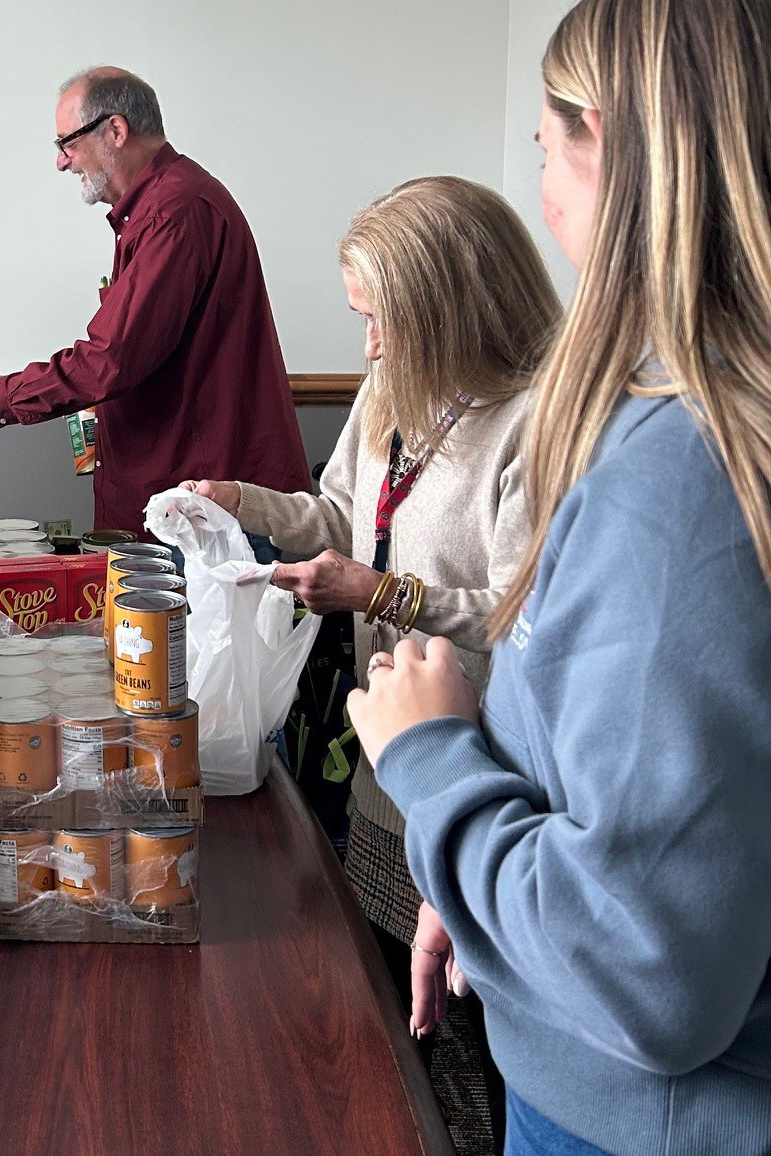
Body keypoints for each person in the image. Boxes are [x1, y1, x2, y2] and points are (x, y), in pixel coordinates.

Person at [350, 1, 771, 1153]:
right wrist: (481, 887)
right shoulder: (662, 428)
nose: (542, 185)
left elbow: (652, 972)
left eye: (544, 148)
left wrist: (433, 763)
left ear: (608, 147)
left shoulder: (678, 479)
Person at [183, 175, 560, 1155]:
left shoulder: (532, 428)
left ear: (445, 306)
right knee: (396, 1009)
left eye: (380, 320)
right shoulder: (397, 394)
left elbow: (529, 620)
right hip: (386, 764)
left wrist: (383, 597)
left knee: (476, 1033)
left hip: (481, 764)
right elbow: (342, 520)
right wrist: (246, 502)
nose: (367, 347)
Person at [0, 67, 309, 545]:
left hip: (206, 514)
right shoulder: (160, 208)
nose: (61, 163)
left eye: (67, 144)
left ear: (116, 131)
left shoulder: (175, 213)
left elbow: (109, 359)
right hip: (185, 505)